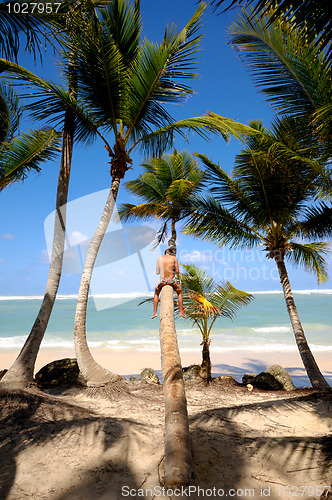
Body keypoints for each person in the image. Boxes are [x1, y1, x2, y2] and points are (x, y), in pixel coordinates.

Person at [151, 247, 185, 319]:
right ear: (171, 253)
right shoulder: (174, 258)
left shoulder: (159, 258)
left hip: (162, 281)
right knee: (179, 293)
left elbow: (157, 272)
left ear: (165, 253)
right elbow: (177, 272)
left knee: (156, 294)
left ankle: (154, 313)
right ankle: (181, 312)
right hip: (171, 281)